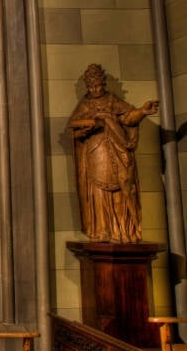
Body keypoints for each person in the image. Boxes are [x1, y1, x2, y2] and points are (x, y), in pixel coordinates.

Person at [68, 64, 158, 243]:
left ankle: (122, 231)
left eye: (98, 85)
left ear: (103, 83)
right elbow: (75, 128)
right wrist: (90, 127)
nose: (95, 90)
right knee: (99, 193)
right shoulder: (84, 105)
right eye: (91, 86)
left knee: (121, 189)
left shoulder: (111, 101)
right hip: (96, 154)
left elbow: (128, 117)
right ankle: (103, 229)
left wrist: (142, 111)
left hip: (117, 150)